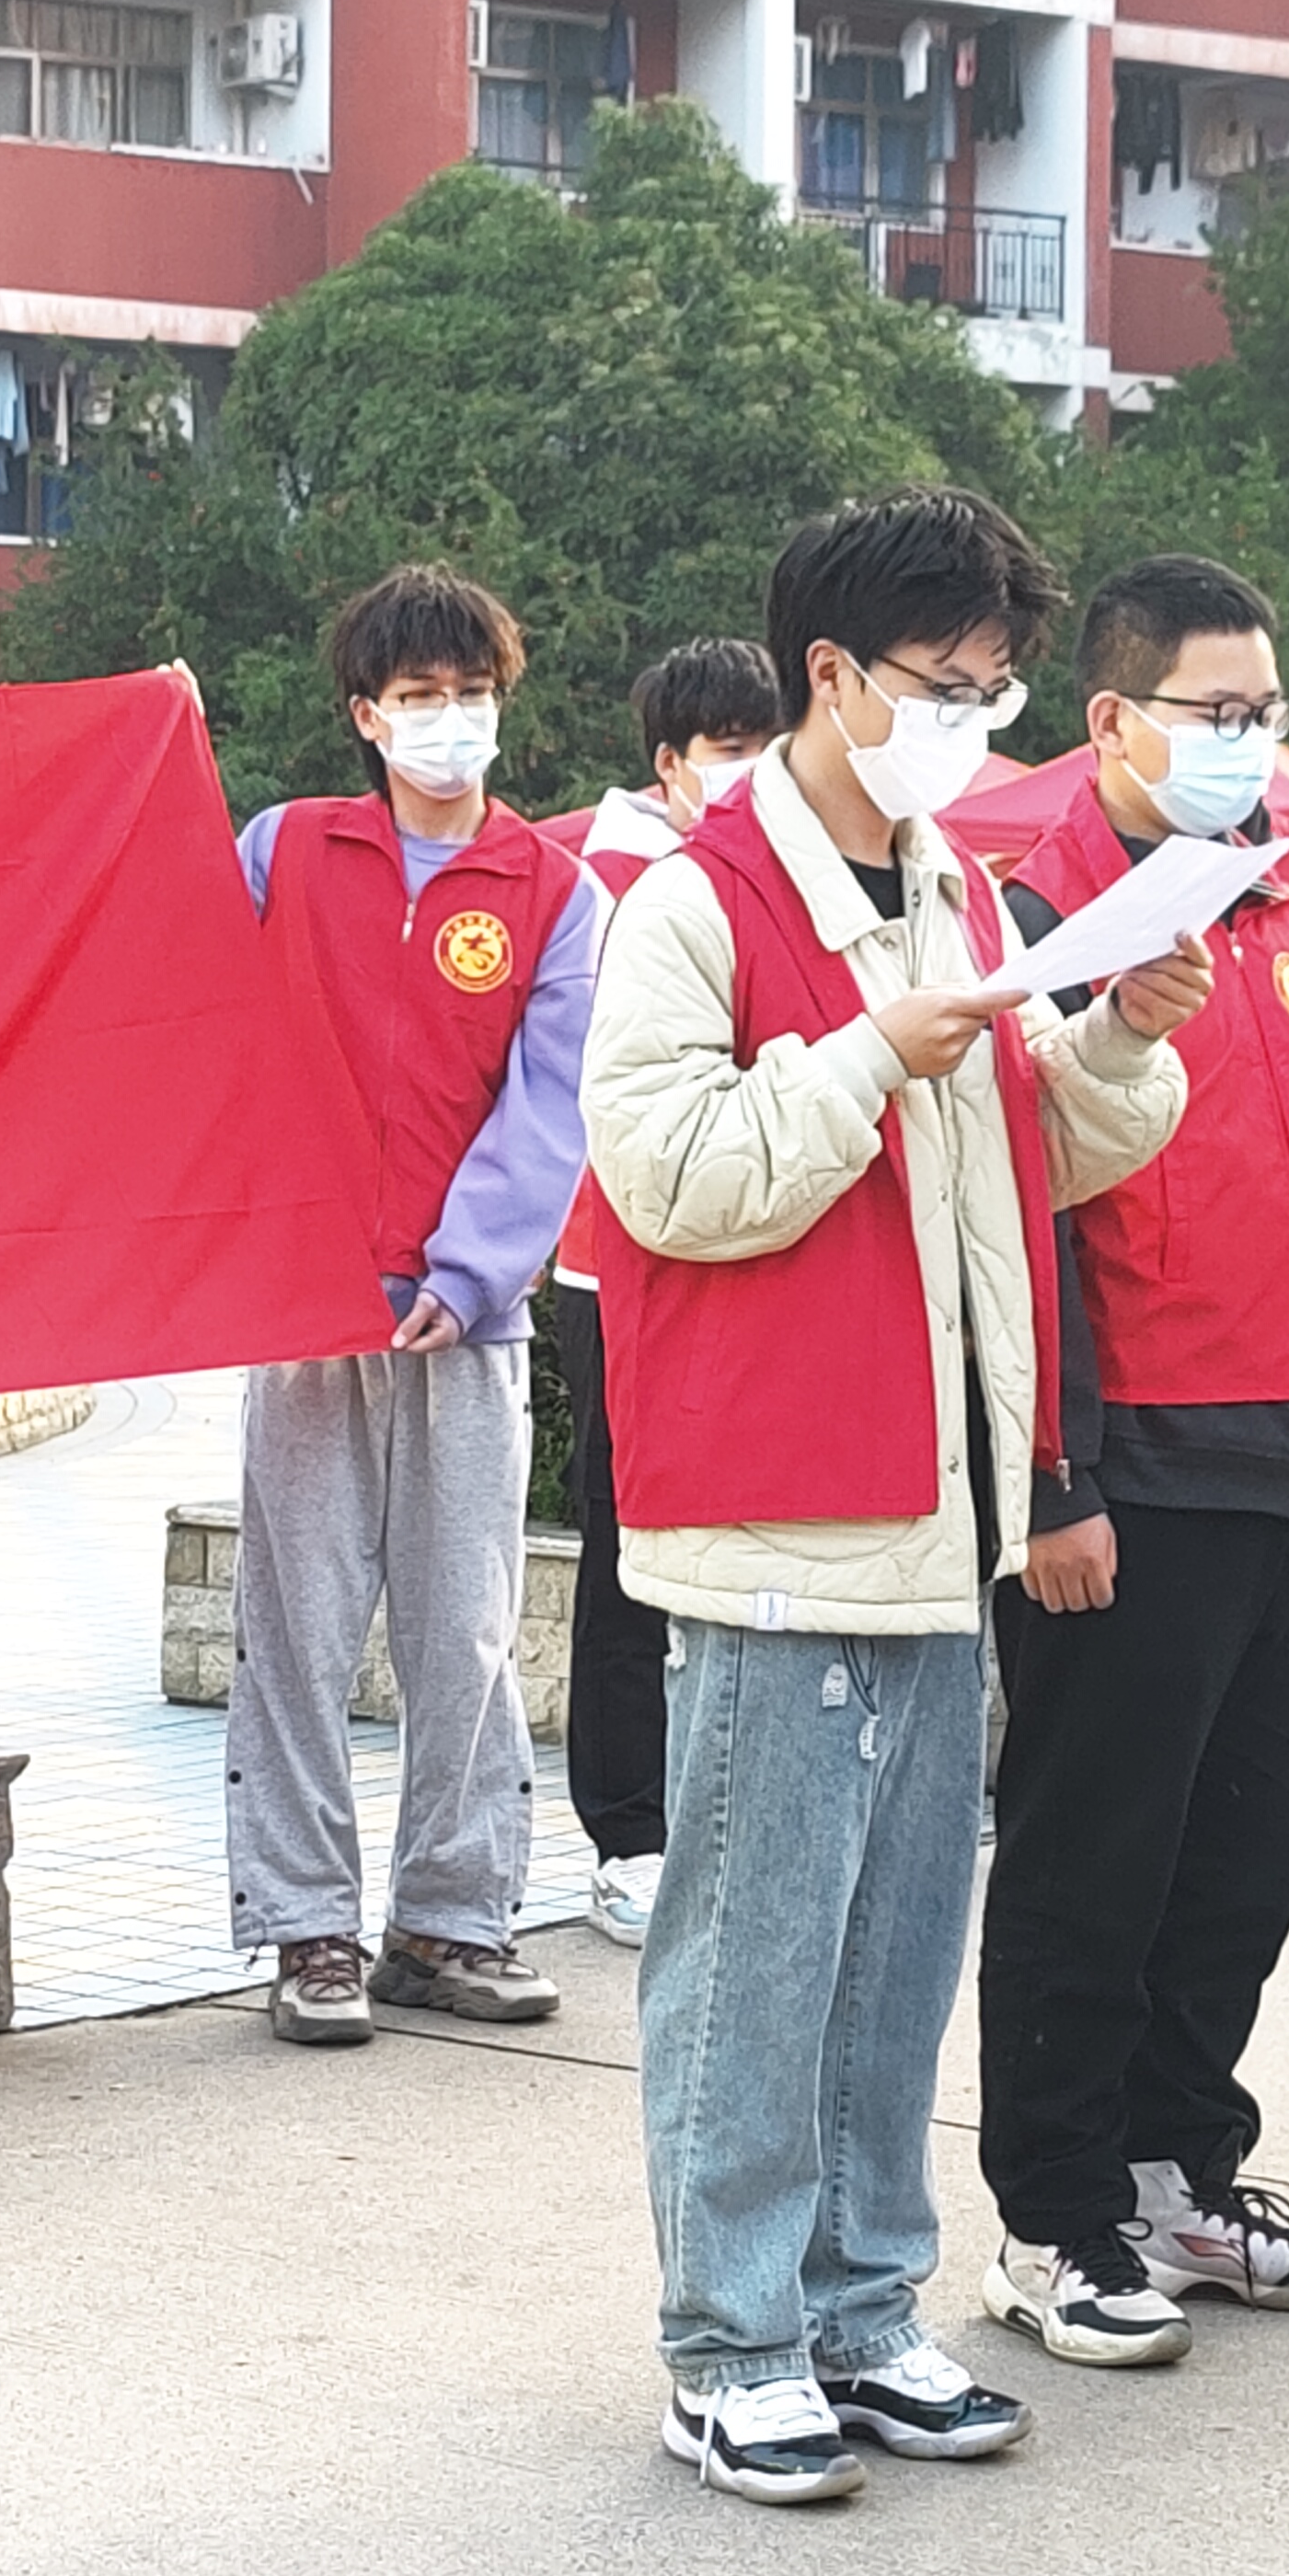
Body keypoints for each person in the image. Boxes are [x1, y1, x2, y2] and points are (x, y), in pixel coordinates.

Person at [581, 488, 1208, 2505]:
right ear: (831, 675)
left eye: (995, 689)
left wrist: (1114, 1039)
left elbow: (1036, 1162)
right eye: (946, 685)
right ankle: (729, 2345)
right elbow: (668, 1180)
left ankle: (861, 2313)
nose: (971, 723)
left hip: (941, 1517)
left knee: (894, 1958)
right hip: (777, 1513)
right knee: (753, 1964)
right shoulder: (690, 900)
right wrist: (865, 1053)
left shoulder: (966, 898)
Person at [976, 557, 1289, 2366]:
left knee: (1249, 1843)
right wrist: (1057, 1480)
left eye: (1265, 712)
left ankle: (1179, 2172)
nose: (1249, 742)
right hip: (1135, 1459)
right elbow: (1018, 1218)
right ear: (1111, 721)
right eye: (1216, 713)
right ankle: (1052, 2217)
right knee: (1091, 1853)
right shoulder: (1040, 918)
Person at [229, 564, 600, 2048]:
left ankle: (450, 1919)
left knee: (469, 1634)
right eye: (419, 696)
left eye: (473, 693)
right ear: (366, 716)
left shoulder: (554, 893)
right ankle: (306, 1929)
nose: (451, 719)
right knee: (296, 1631)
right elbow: (186, 1010)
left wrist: (470, 1268)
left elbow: (552, 1103)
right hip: (306, 1315)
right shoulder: (283, 849)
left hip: (468, 1321)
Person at [548, 636, 778, 1948]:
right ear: (671, 765)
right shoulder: (610, 880)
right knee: (627, 1548)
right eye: (728, 750)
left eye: (767, 744)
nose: (751, 770)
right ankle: (627, 1834)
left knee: (736, 1545)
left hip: (755, 1251)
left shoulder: (789, 869)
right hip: (619, 1258)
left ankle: (720, 1819)